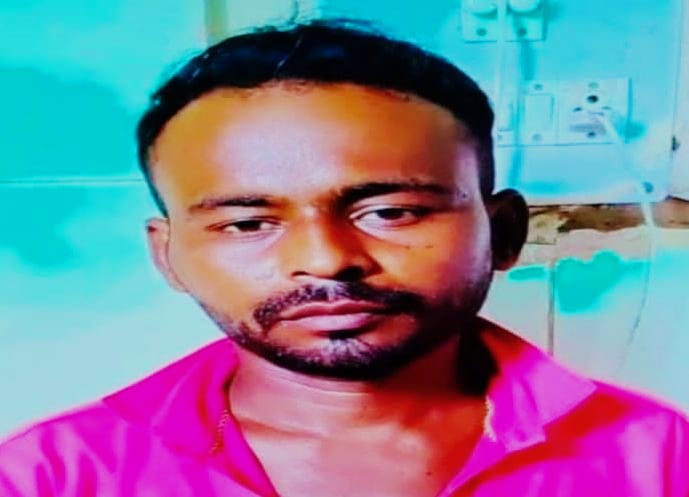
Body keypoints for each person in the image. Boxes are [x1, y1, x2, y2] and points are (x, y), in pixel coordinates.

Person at [1, 20, 688, 497]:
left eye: (391, 212)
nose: (326, 260)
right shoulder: (53, 476)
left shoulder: (658, 459)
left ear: (503, 232)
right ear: (169, 256)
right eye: (248, 223)